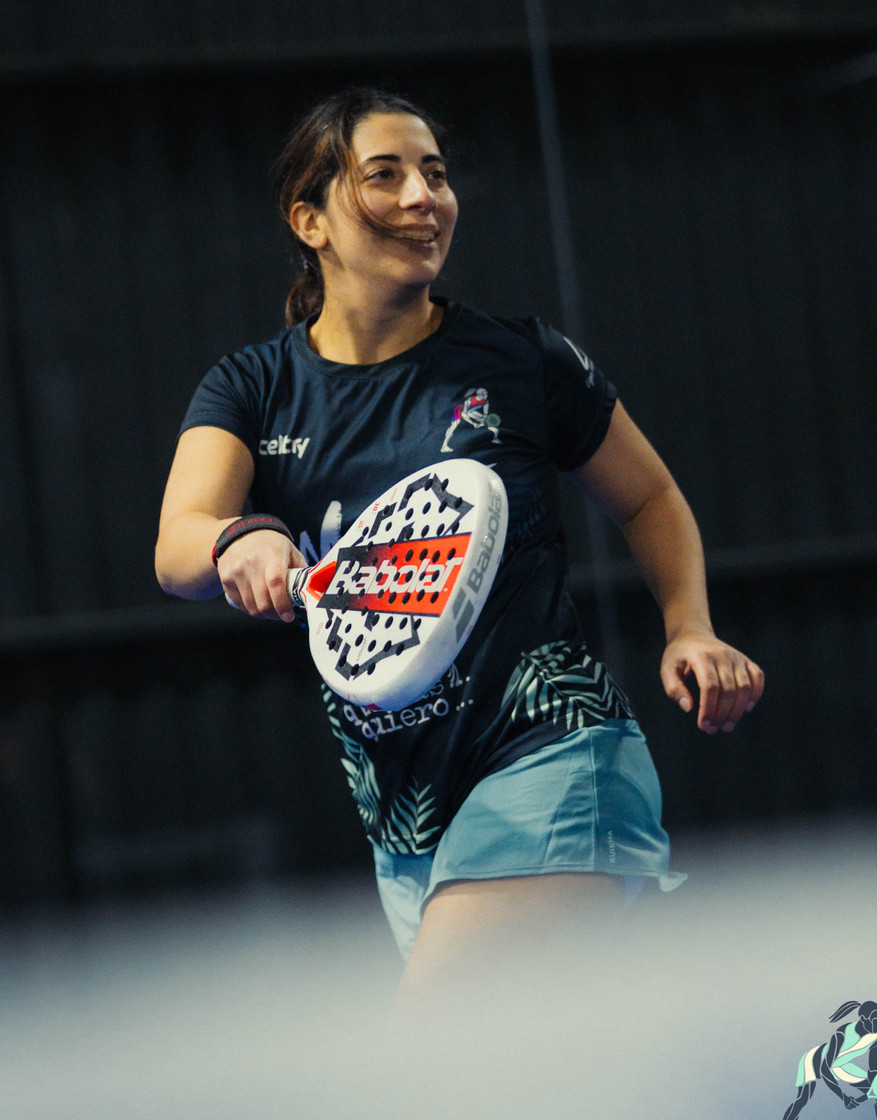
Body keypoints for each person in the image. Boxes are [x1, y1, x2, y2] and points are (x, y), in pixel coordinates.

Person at [155, 87, 764, 1017]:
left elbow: (649, 496)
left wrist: (690, 627)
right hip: (406, 819)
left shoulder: (520, 360)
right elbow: (179, 544)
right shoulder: (253, 387)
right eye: (384, 175)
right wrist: (241, 535)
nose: (423, 198)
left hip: (551, 756)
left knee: (425, 1048)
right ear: (309, 221)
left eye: (434, 175)